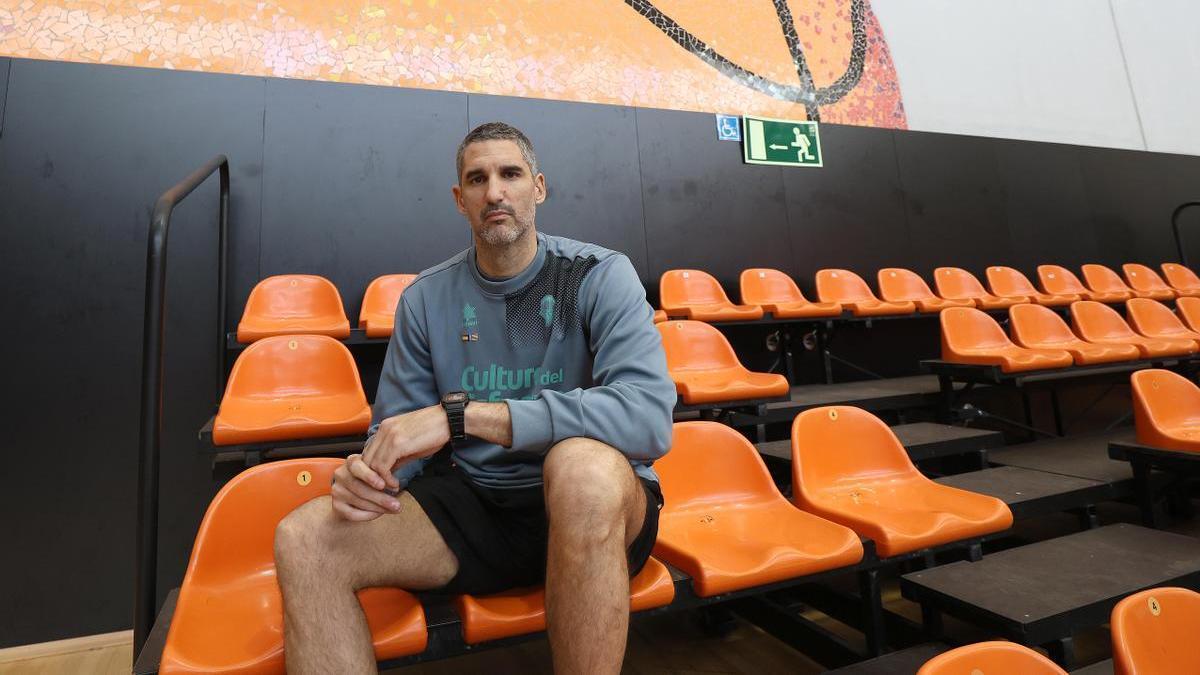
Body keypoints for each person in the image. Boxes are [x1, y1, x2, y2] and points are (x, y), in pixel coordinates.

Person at [273, 122, 676, 674]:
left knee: (580, 468)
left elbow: (648, 418)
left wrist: (465, 418)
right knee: (305, 537)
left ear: (538, 187)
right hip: (475, 508)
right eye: (477, 179)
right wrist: (369, 476)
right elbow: (398, 436)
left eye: (510, 174)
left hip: (595, 510)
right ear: (459, 200)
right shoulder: (424, 299)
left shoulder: (597, 275)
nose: (495, 192)